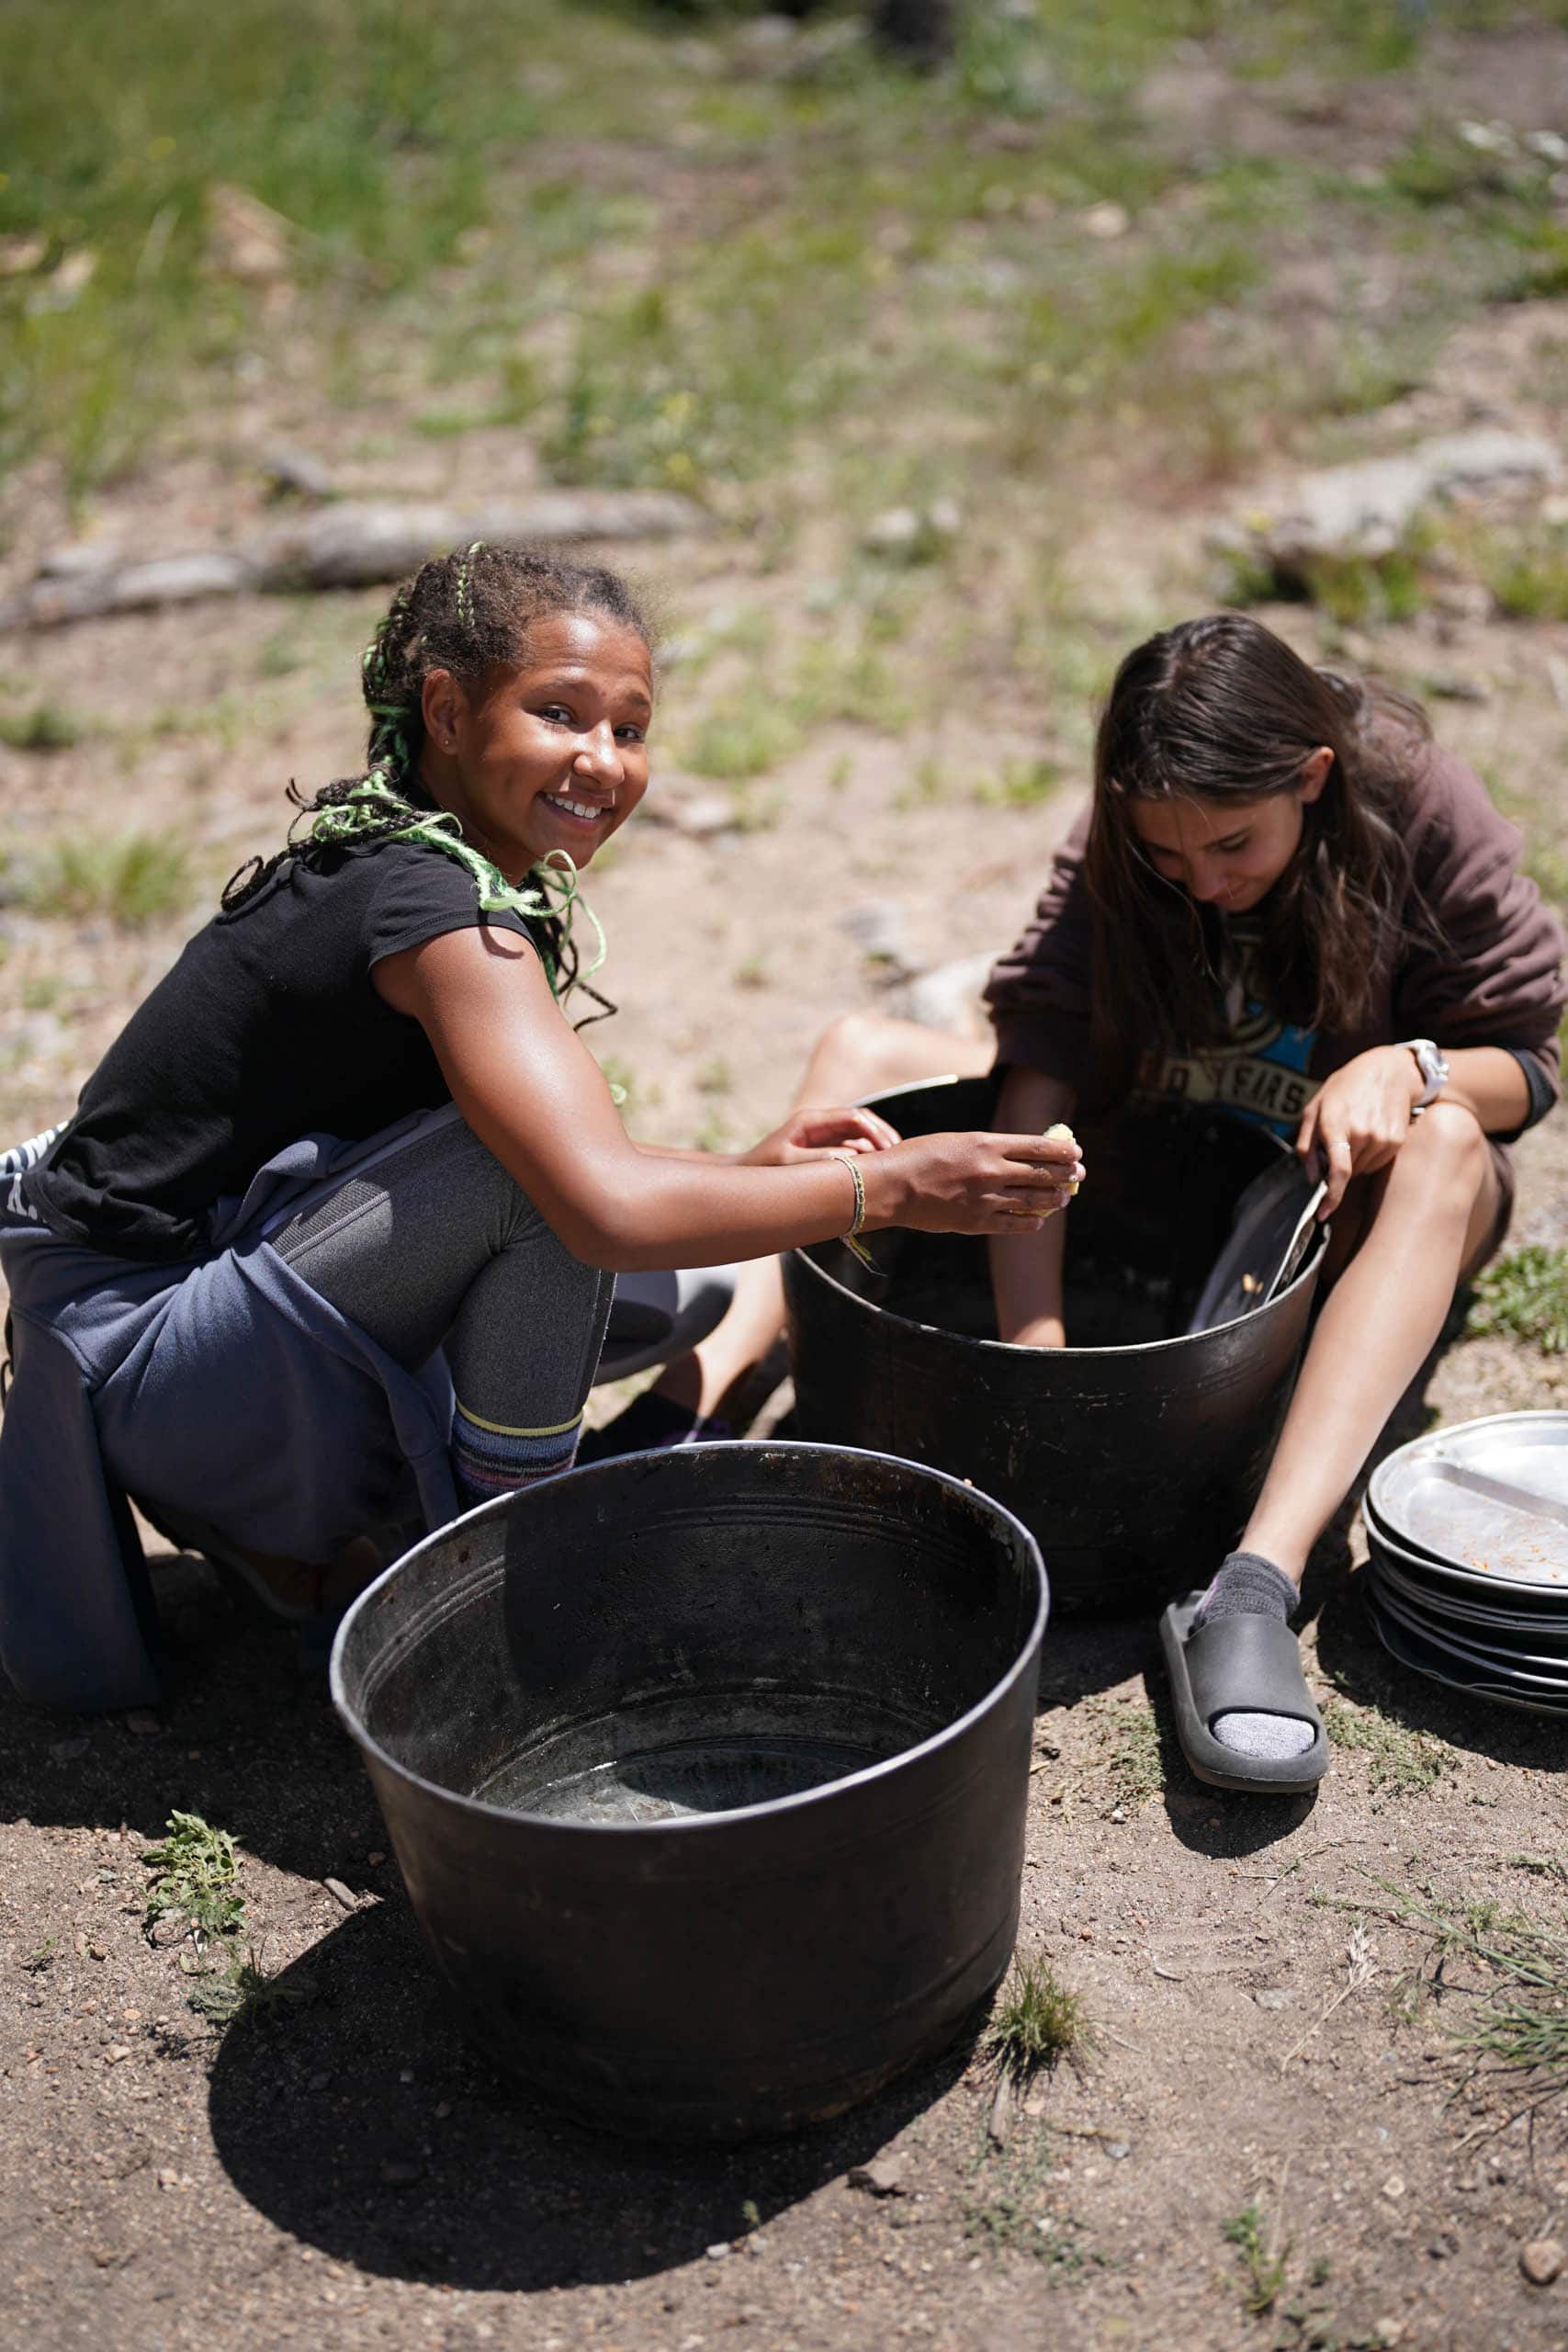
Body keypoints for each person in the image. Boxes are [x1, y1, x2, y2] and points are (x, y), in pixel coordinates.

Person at [0, 543, 1082, 1713]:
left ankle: (300, 1546)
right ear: (448, 709)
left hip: (202, 1322)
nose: (602, 762)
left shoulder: (412, 853)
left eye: (630, 727)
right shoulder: (430, 906)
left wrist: (746, 1170)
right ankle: (499, 1600)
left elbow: (559, 1174)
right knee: (570, 1216)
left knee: (683, 1292)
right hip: (146, 1365)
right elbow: (589, 1199)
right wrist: (896, 1189)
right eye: (559, 713)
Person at [649, 614, 1565, 1794]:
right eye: (1172, 861)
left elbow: (1526, 1069)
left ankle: (1253, 1586)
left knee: (1443, 1145)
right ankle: (684, 1416)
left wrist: (1415, 1066)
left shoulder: (1415, 804)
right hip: (1157, 1150)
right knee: (857, 1052)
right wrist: (1038, 1352)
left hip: (1339, 1199)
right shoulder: (1144, 820)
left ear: (1313, 778)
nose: (1207, 882)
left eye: (1236, 847)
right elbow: (1044, 1055)